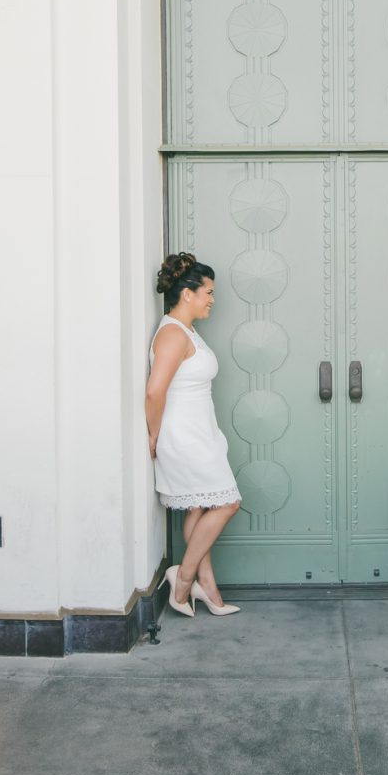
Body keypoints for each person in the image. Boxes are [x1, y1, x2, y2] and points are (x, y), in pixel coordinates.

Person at [145, 252, 244, 617]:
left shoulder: (185, 331)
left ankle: (210, 591)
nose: (212, 299)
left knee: (199, 506)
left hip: (201, 433)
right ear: (187, 294)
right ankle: (183, 579)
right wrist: (154, 434)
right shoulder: (172, 333)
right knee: (228, 502)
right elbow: (155, 391)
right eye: (208, 292)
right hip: (183, 437)